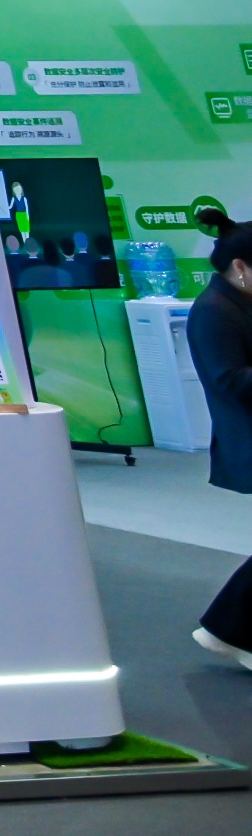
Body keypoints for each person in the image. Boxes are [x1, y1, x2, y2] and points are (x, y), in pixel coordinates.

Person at [189, 220, 252, 670]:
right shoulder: (214, 311)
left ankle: (225, 630)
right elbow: (229, 379)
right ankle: (227, 630)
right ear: (240, 266)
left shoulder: (240, 302)